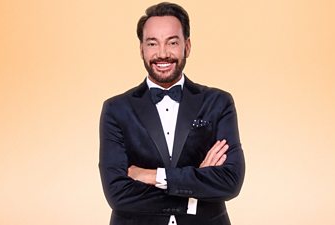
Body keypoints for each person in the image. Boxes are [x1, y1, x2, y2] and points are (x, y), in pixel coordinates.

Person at [99, 2, 245, 225]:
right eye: (152, 43)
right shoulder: (116, 109)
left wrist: (152, 176)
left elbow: (230, 181)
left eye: (172, 42)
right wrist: (194, 193)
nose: (162, 54)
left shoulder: (219, 102)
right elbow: (117, 193)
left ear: (187, 46)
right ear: (141, 49)